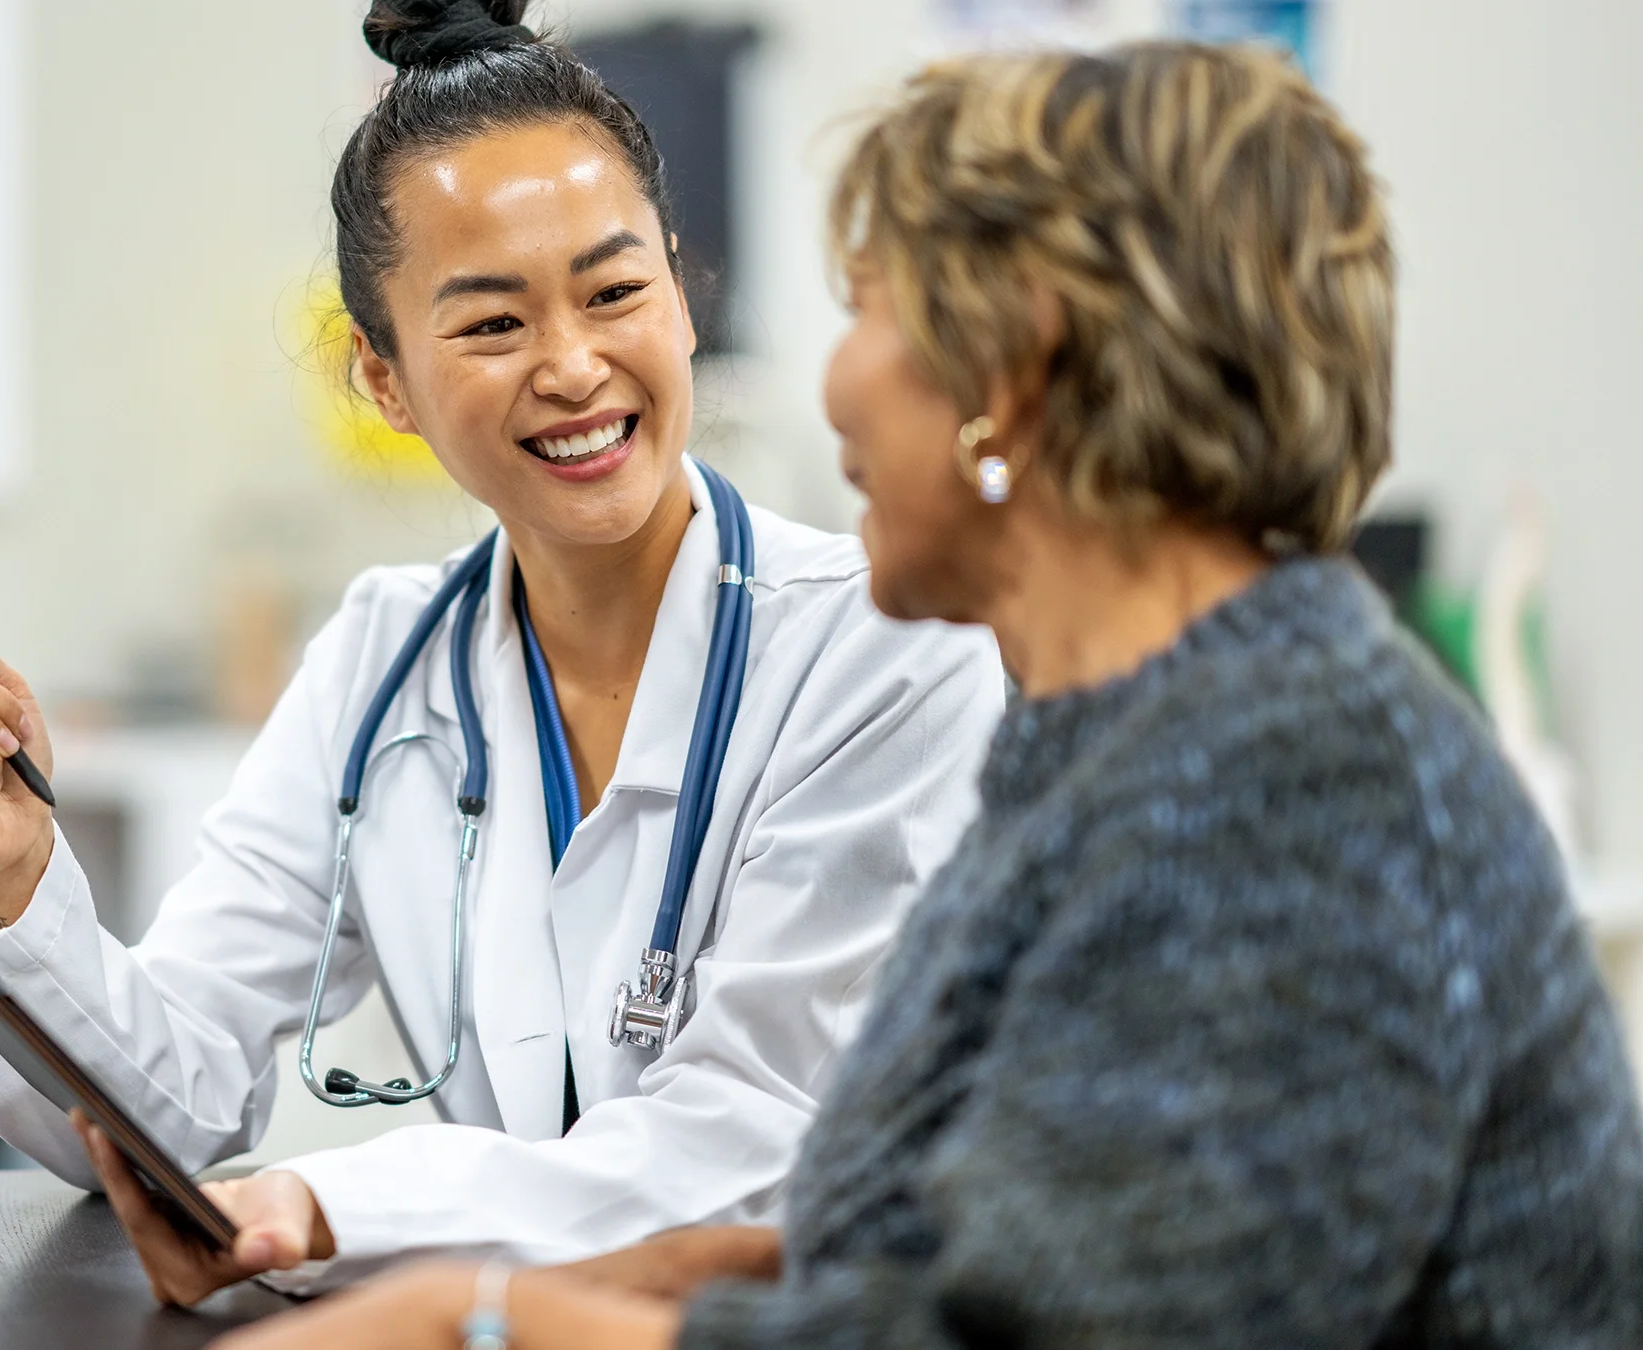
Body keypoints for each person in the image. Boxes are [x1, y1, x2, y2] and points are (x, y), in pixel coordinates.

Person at [205, 40, 1643, 1349]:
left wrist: (484, 1317)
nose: (830, 388)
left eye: (871, 309)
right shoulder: (1113, 741)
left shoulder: (1294, 784)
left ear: (1013, 376)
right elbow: (971, 1249)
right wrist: (629, 1282)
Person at [0, 0, 1003, 1301]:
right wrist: (19, 870)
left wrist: (320, 1200)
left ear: (683, 297)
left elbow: (754, 1144)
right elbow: (169, 1105)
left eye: (616, 290)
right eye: (490, 325)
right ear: (387, 382)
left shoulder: (886, 646)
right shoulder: (380, 663)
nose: (574, 365)